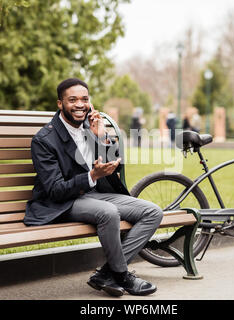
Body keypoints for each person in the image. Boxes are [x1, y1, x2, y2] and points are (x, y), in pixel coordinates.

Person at [24, 78, 163, 297]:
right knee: (108, 212)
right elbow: (55, 190)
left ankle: (106, 274)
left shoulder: (92, 127)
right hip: (62, 202)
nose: (80, 104)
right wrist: (91, 176)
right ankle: (122, 275)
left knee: (152, 212)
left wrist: (102, 138)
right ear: (60, 104)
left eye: (84, 99)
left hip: (95, 195)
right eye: (73, 100)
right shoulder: (44, 139)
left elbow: (114, 163)